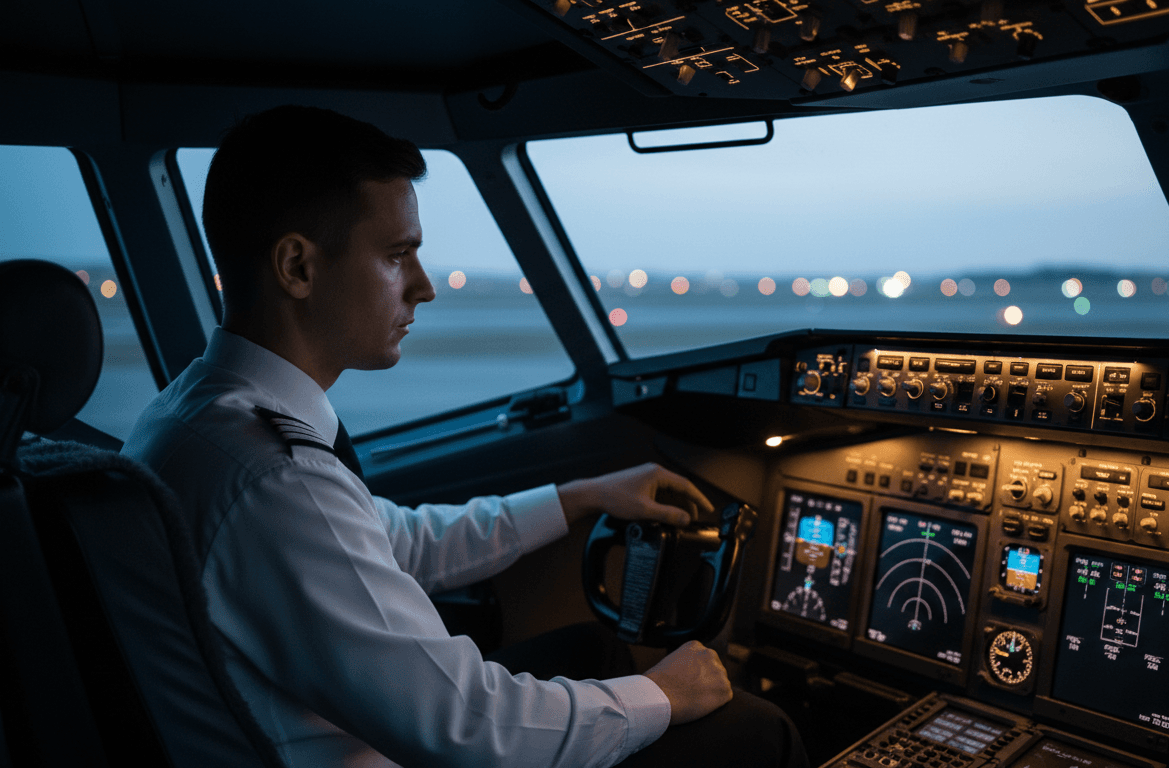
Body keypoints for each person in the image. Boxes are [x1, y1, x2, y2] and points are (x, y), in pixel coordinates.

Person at [122, 105, 807, 768]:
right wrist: (663, 694)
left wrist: (576, 497)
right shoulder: (275, 477)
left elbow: (388, 542)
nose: (424, 287)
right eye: (397, 256)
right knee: (755, 730)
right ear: (297, 268)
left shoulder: (193, 413)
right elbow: (470, 730)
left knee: (596, 656)